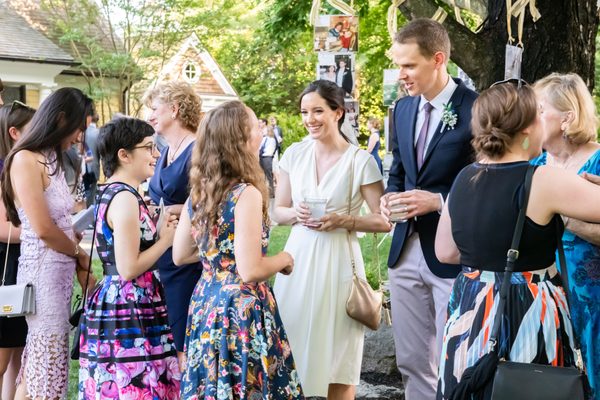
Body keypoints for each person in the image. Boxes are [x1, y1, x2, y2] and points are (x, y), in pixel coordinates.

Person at [435, 80, 600, 399]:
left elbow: (445, 251)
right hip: (527, 308)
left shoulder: (464, 178)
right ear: (526, 130)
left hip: (471, 306)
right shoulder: (542, 180)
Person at [172, 100, 303, 399]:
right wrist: (284, 259)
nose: (261, 131)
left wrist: (219, 259)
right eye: (255, 126)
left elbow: (181, 254)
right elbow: (250, 269)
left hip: (207, 300)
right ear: (240, 138)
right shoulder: (245, 194)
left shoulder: (200, 190)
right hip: (239, 308)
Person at [272, 80, 390, 399]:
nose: (310, 119)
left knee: (339, 357)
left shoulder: (360, 161)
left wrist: (344, 220)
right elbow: (278, 212)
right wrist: (295, 212)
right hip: (297, 263)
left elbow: (384, 220)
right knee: (290, 349)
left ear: (338, 112)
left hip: (339, 264)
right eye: (304, 112)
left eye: (318, 111)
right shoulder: (294, 155)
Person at [379, 19, 478, 400]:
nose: (401, 75)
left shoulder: (476, 107)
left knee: (456, 355)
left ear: (438, 60)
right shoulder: (401, 110)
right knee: (412, 359)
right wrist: (390, 199)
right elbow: (398, 171)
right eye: (399, 65)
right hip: (405, 250)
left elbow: (485, 179)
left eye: (409, 66)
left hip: (453, 252)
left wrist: (438, 201)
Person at [1, 87, 95, 399]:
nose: (80, 136)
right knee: (44, 363)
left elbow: (56, 221)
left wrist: (71, 236)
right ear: (61, 118)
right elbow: (41, 227)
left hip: (59, 273)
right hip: (42, 275)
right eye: (80, 127)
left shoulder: (51, 158)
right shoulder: (25, 159)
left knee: (43, 365)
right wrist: (79, 253)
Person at [78, 117, 181, 399]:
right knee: (136, 386)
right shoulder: (124, 198)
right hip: (129, 305)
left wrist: (157, 231)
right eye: (148, 148)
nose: (156, 154)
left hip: (123, 302)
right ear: (124, 154)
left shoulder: (112, 192)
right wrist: (166, 242)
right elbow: (128, 267)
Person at [531, 72, 600, 399]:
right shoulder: (534, 164)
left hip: (594, 298)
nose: (531, 117)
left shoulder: (597, 161)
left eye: (540, 110)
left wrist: (563, 216)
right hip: (545, 298)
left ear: (567, 118)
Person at [145, 81, 203, 368]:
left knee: (185, 345)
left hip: (187, 260)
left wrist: (173, 209)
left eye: (155, 109)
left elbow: (208, 202)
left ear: (175, 108)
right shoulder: (165, 151)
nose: (150, 116)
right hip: (162, 255)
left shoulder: (198, 151)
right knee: (168, 346)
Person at [0, 101, 35, 400]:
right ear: (13, 133)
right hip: (4, 268)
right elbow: (2, 228)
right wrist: (38, 233)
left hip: (18, 268)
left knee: (17, 355)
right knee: (2, 356)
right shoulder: (3, 171)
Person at [83, 114, 100, 206]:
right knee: (91, 199)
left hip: (79, 170)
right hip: (93, 168)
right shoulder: (98, 133)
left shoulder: (80, 131)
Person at [259, 125, 278, 197]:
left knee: (265, 175)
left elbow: (260, 147)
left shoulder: (266, 139)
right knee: (268, 176)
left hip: (265, 157)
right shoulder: (272, 139)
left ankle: (268, 192)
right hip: (268, 158)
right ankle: (270, 193)